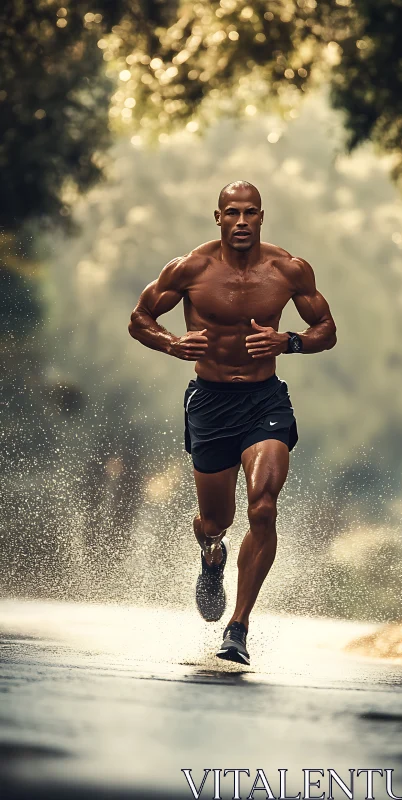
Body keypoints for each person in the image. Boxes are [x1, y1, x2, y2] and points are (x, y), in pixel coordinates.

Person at [128, 181, 337, 665]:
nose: (241, 221)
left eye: (249, 213)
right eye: (231, 213)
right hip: (210, 402)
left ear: (262, 217)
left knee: (263, 507)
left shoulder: (288, 270)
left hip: (265, 399)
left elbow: (326, 331)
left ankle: (238, 627)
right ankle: (212, 553)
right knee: (214, 521)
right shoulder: (189, 269)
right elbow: (140, 318)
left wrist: (290, 342)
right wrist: (171, 344)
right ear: (217, 217)